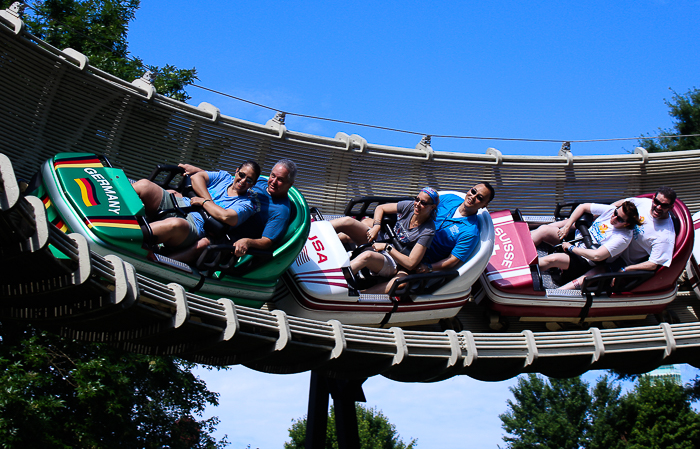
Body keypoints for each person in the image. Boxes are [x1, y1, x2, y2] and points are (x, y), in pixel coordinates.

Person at [132, 160, 261, 261]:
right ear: (236, 171)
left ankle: (128, 236)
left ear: (253, 184)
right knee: (144, 185)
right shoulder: (224, 177)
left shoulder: (247, 204)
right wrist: (208, 201)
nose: (243, 181)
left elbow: (228, 217)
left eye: (249, 180)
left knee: (175, 224)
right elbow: (197, 178)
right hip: (182, 204)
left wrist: (203, 203)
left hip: (196, 225)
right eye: (242, 175)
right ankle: (114, 217)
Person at [331, 188, 439, 285]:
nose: (417, 204)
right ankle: (315, 232)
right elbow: (380, 208)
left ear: (432, 207)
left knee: (367, 256)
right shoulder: (410, 206)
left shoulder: (428, 231)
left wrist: (387, 247)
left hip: (392, 259)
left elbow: (411, 263)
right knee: (347, 221)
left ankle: (332, 279)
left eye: (423, 203)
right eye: (417, 199)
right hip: (379, 240)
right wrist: (377, 226)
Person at [533, 201, 641, 289]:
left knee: (552, 259)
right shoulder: (610, 211)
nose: (614, 218)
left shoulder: (623, 238)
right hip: (575, 238)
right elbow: (583, 207)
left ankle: (522, 272)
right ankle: (518, 250)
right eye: (616, 213)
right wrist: (567, 226)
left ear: (627, 224)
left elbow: (597, 255)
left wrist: (571, 248)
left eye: (620, 219)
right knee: (544, 230)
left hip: (584, 258)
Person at [414, 182, 495, 274]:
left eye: (479, 198)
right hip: (411, 237)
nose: (472, 197)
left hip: (421, 257)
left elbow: (453, 260)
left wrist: (428, 268)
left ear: (484, 205)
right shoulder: (451, 199)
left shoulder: (470, 232)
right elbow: (423, 205)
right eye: (473, 191)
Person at [228, 159, 297, 257]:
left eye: (280, 179)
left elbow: (267, 241)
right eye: (273, 176)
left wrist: (247, 242)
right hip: (222, 211)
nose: (274, 182)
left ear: (290, 184)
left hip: (229, 235)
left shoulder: (281, 211)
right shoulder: (259, 181)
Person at [613, 186, 677, 272]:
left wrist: (625, 269)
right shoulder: (644, 203)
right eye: (657, 202)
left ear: (671, 207)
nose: (658, 207)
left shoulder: (665, 236)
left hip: (620, 260)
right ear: (653, 198)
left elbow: (653, 264)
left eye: (664, 206)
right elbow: (623, 203)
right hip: (610, 236)